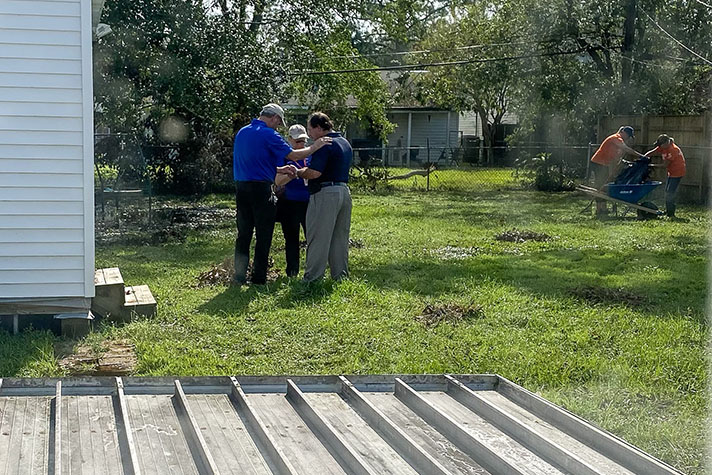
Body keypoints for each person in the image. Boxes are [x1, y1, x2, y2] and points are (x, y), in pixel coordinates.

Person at [233, 104, 331, 285]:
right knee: (264, 233)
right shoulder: (269, 134)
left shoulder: (242, 132)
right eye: (278, 123)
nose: (277, 127)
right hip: (261, 189)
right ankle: (258, 278)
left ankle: (238, 276)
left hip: (241, 188)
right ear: (275, 118)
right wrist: (314, 147)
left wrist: (279, 168)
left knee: (244, 233)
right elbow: (293, 155)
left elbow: (254, 163)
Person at [296, 112, 353, 282]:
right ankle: (340, 276)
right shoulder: (344, 142)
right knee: (339, 238)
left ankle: (312, 278)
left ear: (319, 128)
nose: (309, 134)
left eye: (310, 129)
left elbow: (314, 173)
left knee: (318, 237)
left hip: (325, 193)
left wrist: (298, 172)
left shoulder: (324, 144)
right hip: (343, 191)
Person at [275, 124, 311, 276]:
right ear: (289, 140)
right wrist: (292, 174)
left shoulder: (310, 155)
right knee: (291, 238)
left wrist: (301, 173)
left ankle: (312, 270)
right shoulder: (283, 157)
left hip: (309, 202)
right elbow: (278, 181)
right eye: (297, 141)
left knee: (312, 237)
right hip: (289, 203)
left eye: (303, 141)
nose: (300, 144)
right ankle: (292, 271)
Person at [589, 126, 644, 215]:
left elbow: (616, 157)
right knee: (601, 185)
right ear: (623, 132)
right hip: (598, 163)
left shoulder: (618, 142)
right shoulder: (616, 138)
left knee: (604, 185)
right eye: (628, 135)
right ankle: (599, 210)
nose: (628, 137)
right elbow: (626, 149)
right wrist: (641, 156)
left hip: (604, 164)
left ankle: (603, 208)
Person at [644, 134, 686, 218]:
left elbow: (664, 165)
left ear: (667, 142)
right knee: (667, 191)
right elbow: (652, 152)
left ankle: (671, 213)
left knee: (670, 192)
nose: (660, 148)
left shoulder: (673, 150)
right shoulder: (663, 146)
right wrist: (643, 158)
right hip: (671, 173)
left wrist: (651, 165)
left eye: (661, 145)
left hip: (677, 173)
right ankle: (668, 211)